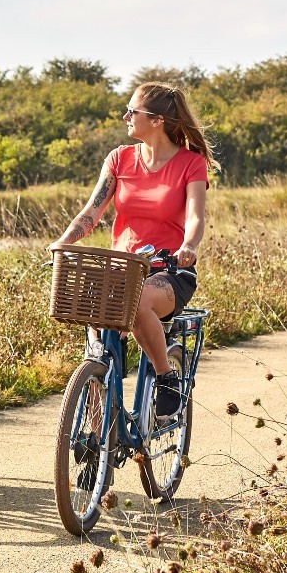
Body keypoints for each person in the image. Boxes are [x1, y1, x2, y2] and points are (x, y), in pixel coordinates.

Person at [51, 81, 211, 415]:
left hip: (169, 272)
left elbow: (195, 216)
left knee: (136, 304)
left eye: (132, 111)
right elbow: (91, 212)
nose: (125, 115)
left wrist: (188, 245)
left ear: (156, 121)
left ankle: (166, 376)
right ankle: (96, 437)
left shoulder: (190, 163)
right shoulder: (119, 159)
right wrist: (65, 241)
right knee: (96, 346)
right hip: (121, 272)